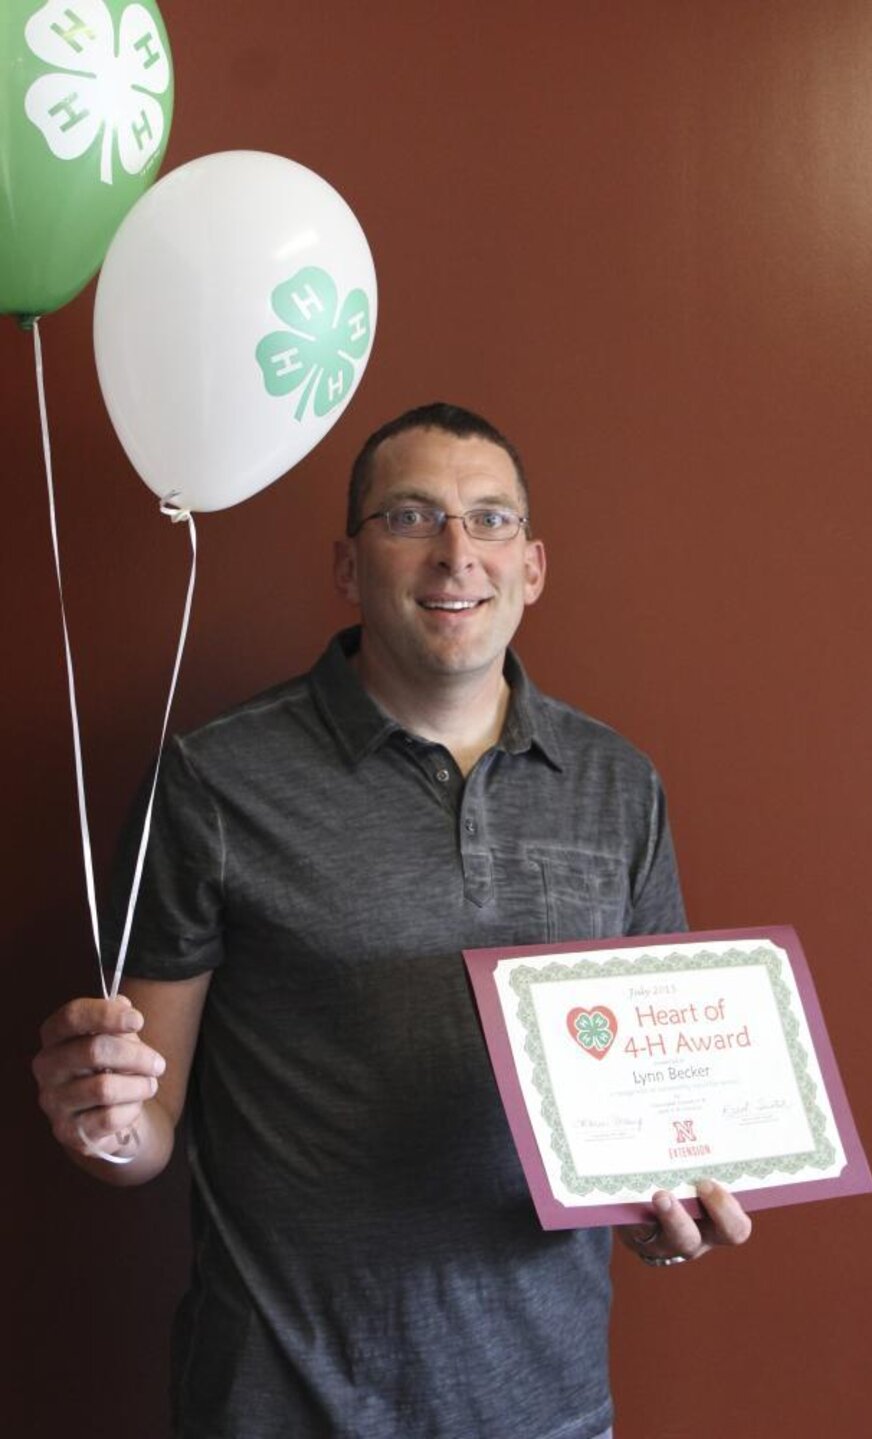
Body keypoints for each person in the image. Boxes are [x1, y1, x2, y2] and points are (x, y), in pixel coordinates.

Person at [33, 403, 751, 1439]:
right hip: (280, 1406)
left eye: (491, 519)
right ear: (347, 562)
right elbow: (142, 1127)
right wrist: (98, 1119)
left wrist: (668, 1214)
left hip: (546, 1409)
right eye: (411, 515)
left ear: (533, 565)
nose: (458, 552)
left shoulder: (618, 785)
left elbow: (652, 1114)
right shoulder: (215, 779)